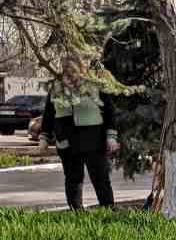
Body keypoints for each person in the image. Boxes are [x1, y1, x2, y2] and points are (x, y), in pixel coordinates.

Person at [40, 57, 118, 211]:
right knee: (73, 179)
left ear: (82, 69)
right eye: (66, 67)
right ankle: (76, 212)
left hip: (94, 139)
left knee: (100, 178)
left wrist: (111, 137)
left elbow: (110, 112)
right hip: (67, 141)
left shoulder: (95, 86)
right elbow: (48, 114)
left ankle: (108, 210)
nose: (69, 71)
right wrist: (44, 137)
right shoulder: (56, 88)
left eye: (73, 68)